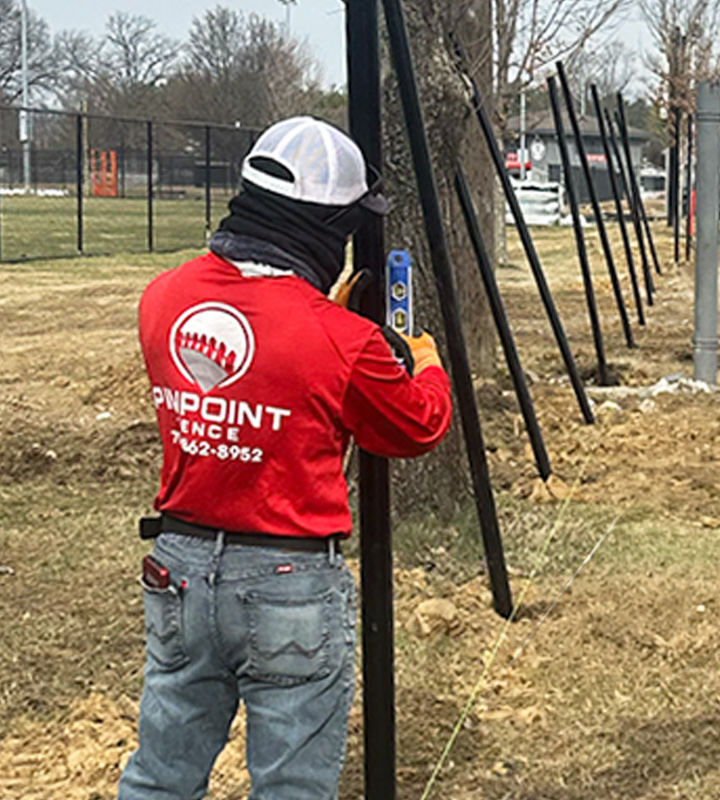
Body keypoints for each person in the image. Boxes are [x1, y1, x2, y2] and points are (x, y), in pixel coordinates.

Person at [118, 116, 452, 800]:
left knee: (160, 775)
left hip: (178, 568)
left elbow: (263, 346)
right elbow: (416, 426)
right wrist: (425, 361)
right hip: (288, 581)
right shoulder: (343, 338)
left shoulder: (163, 298)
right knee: (291, 787)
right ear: (328, 229)